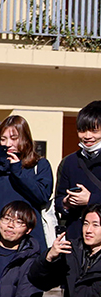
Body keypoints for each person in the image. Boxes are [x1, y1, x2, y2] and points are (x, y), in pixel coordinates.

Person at [0, 115, 52, 250]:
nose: (8, 144)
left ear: (25, 138)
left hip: (29, 241)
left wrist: (17, 171)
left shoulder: (39, 164)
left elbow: (42, 196)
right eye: (3, 139)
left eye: (14, 138)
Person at [55, 101, 101, 241]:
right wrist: (66, 202)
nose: (87, 136)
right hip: (76, 239)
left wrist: (90, 199)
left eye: (94, 130)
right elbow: (58, 199)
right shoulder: (69, 162)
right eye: (82, 130)